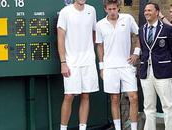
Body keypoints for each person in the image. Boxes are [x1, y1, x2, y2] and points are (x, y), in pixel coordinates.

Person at [96, 0, 140, 130]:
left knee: (134, 97)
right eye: (109, 9)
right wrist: (102, 67)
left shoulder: (128, 18)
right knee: (114, 98)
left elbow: (139, 35)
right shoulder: (100, 25)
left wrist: (136, 53)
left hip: (126, 65)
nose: (112, 11)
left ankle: (133, 128)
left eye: (114, 9)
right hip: (109, 67)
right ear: (105, 9)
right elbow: (99, 46)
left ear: (118, 8)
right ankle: (117, 127)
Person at [57, 0, 99, 130]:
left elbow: (94, 33)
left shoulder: (91, 10)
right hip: (71, 62)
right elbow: (60, 38)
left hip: (88, 61)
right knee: (69, 96)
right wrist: (63, 62)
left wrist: (89, 51)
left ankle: (83, 128)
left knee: (86, 95)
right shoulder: (65, 12)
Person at [139, 2, 172, 130]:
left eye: (149, 10)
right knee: (148, 107)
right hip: (146, 72)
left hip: (163, 72)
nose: (146, 12)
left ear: (157, 12)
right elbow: (144, 50)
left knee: (168, 106)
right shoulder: (141, 30)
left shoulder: (167, 29)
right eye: (145, 10)